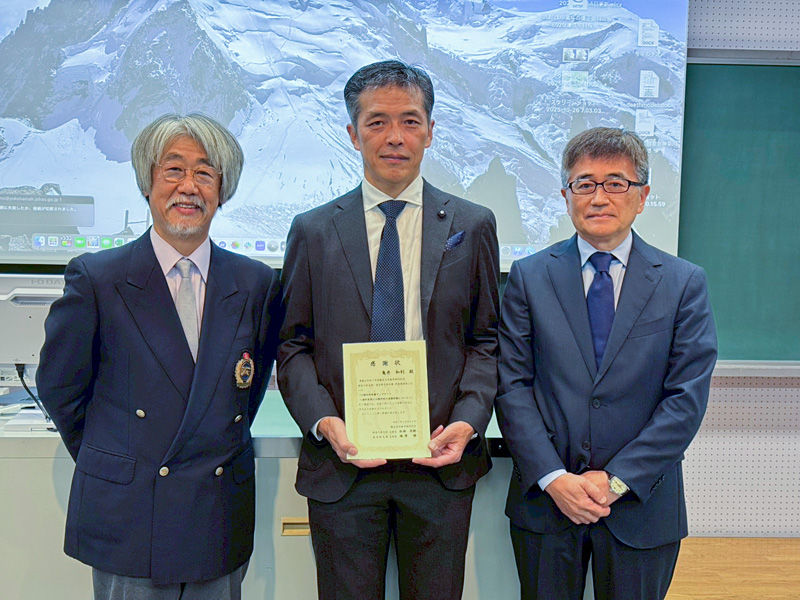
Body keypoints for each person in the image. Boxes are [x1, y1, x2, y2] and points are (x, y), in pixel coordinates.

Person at [36, 113, 284, 600]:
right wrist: (120, 455)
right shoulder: (98, 277)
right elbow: (61, 389)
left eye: (205, 173)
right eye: (173, 170)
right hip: (129, 512)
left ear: (222, 190)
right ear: (147, 183)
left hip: (216, 509)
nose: (188, 187)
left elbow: (242, 394)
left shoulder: (255, 282)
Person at [277, 60, 500, 600]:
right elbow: (292, 347)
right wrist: (326, 423)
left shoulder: (472, 225)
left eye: (410, 121)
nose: (394, 137)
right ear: (353, 134)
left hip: (440, 462)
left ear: (429, 130)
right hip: (344, 464)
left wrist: (468, 423)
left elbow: (487, 342)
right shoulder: (313, 230)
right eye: (377, 122)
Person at [495, 127, 717, 600]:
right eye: (584, 183)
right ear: (565, 194)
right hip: (547, 504)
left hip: (642, 506)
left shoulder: (682, 283)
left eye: (616, 183)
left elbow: (685, 399)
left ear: (643, 197)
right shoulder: (529, 278)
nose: (599, 197)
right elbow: (512, 387)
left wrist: (617, 481)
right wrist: (555, 478)